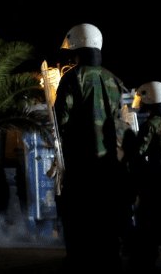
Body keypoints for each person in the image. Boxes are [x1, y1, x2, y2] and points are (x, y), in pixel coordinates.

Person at [52, 23, 130, 271]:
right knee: (109, 219)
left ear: (75, 46)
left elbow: (60, 119)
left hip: (82, 165)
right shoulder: (115, 80)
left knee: (79, 220)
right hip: (112, 166)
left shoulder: (73, 78)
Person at [130, 82, 161, 271]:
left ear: (150, 98)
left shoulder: (151, 124)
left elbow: (138, 154)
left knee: (146, 228)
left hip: (155, 182)